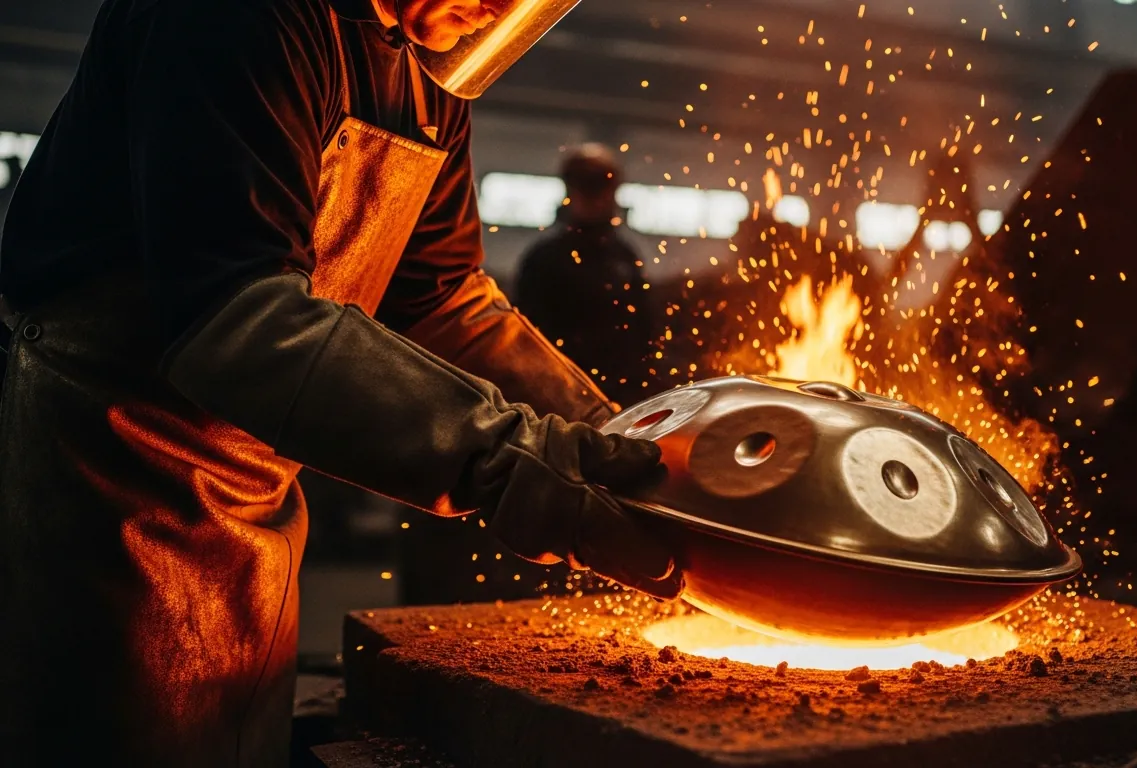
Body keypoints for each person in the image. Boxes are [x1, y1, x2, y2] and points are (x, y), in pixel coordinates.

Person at [0, 0, 681, 766]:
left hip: (252, 500)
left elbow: (442, 302)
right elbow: (236, 324)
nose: (502, 7)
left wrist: (628, 445)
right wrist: (510, 461)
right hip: (102, 482)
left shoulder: (429, 74)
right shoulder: (240, 19)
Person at [514, 144, 657, 406]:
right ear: (570, 190)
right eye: (586, 186)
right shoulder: (544, 258)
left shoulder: (624, 257)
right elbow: (527, 335)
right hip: (556, 395)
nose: (593, 197)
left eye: (600, 186)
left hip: (618, 396)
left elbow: (643, 331)